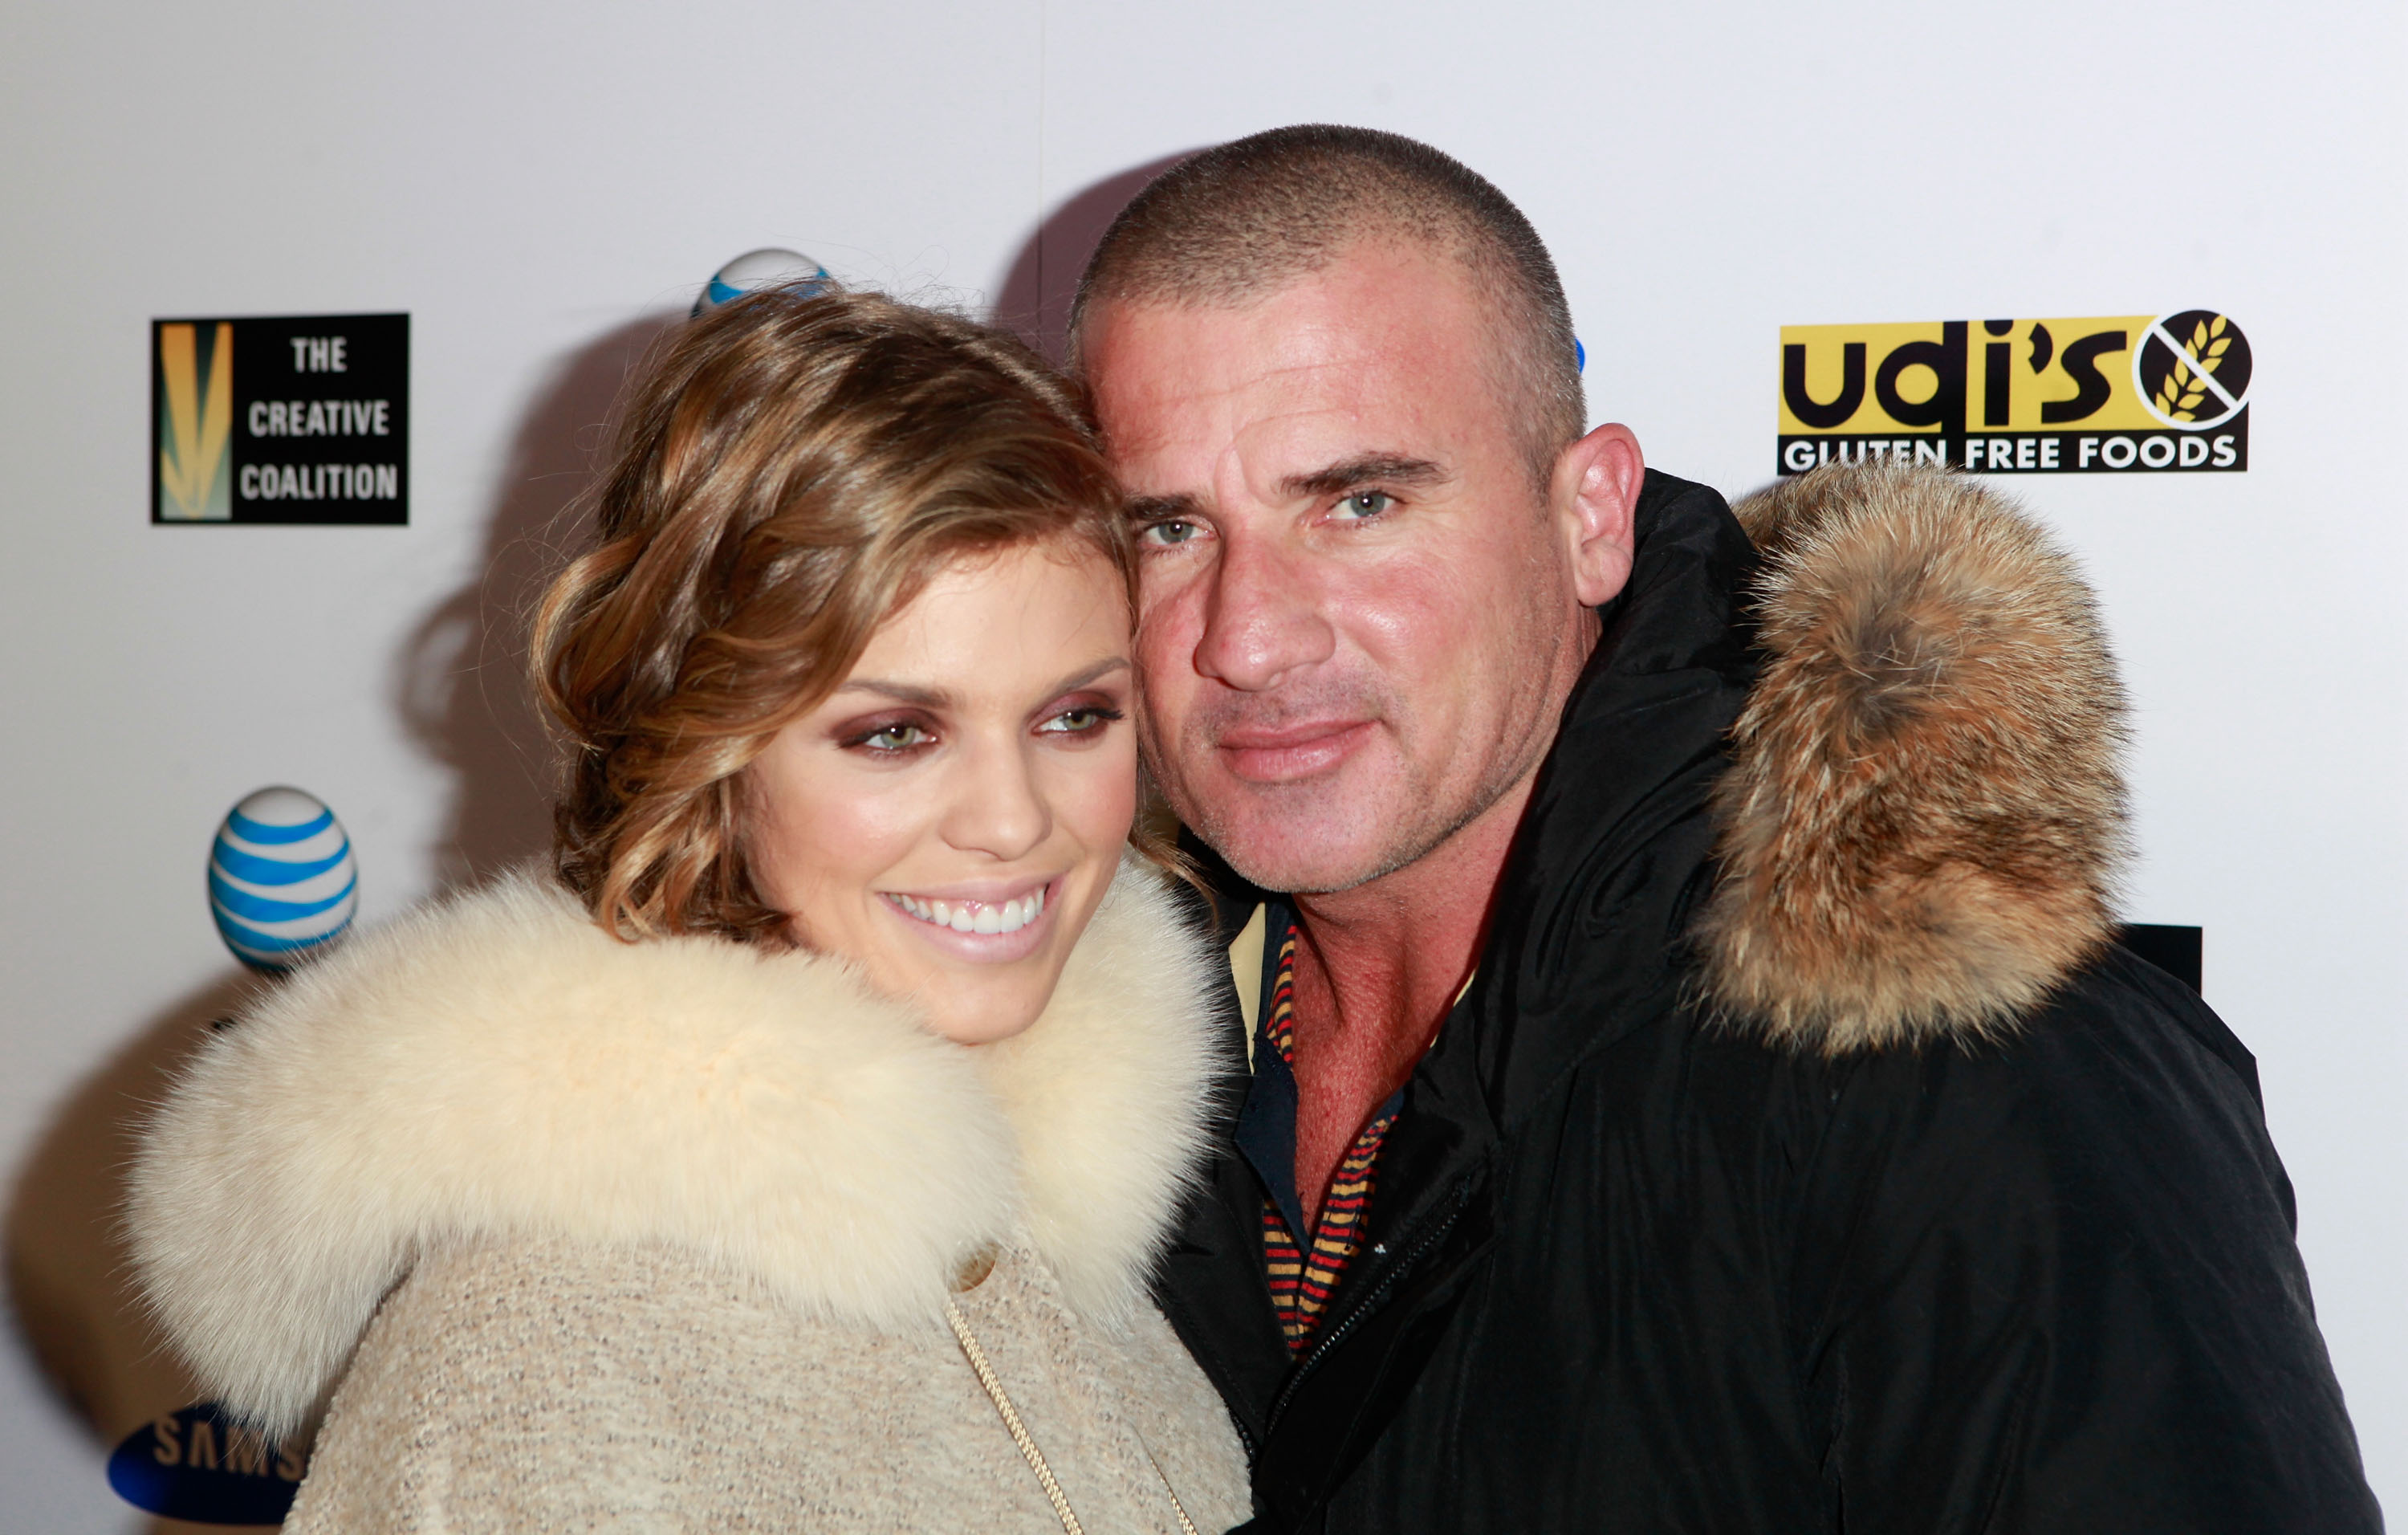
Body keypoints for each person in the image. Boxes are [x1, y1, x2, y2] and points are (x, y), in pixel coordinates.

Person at [1070, 124, 2382, 1533]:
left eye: (1360, 502)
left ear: (1592, 515)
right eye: (1166, 529)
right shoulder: (1049, 1045)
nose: (1248, 640)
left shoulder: (1968, 1065)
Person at [128, 287, 1251, 1533]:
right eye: (895, 733)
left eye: (1075, 717)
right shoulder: (540, 1358)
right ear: (713, 752)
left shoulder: (1076, 1230)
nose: (1013, 818)